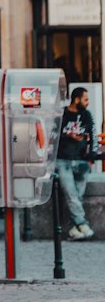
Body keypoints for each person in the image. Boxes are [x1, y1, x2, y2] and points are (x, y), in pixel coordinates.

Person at [57, 85, 96, 241]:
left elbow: (92, 134)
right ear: (77, 99)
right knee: (72, 195)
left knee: (76, 196)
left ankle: (74, 229)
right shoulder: (62, 114)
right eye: (85, 99)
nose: (87, 102)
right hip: (63, 160)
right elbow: (54, 135)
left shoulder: (86, 115)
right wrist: (69, 135)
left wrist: (91, 158)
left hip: (82, 161)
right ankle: (83, 224)